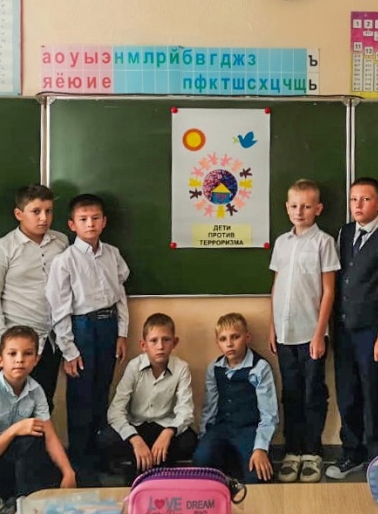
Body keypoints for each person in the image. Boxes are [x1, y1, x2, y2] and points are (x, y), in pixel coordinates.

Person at [326, 177, 378, 479]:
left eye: (365, 199)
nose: (358, 205)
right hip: (345, 330)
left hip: (373, 332)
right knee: (347, 394)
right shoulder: (344, 233)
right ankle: (352, 453)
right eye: (353, 199)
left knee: (375, 395)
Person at [46, 193, 129, 483]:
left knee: (102, 393)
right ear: (72, 225)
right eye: (83, 219)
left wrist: (122, 332)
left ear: (104, 222)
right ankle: (81, 463)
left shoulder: (113, 254)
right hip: (81, 328)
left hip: (108, 326)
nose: (90, 224)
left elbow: (120, 296)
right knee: (81, 397)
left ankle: (100, 455)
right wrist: (69, 350)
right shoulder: (64, 261)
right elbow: (59, 310)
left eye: (95, 218)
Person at [0, 325, 76, 514]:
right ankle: (24, 511)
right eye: (12, 354)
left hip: (10, 453)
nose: (20, 360)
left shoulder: (36, 390)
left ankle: (1, 496)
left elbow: (50, 437)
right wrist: (14, 430)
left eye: (28, 354)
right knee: (29, 438)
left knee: (58, 470)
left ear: (36, 360)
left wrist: (68, 472)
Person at [268, 179, 340, 483]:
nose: (300, 211)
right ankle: (292, 451)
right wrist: (272, 326)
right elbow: (276, 285)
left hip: (311, 333)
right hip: (284, 333)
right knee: (291, 393)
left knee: (313, 393)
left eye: (307, 206)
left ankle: (312, 452)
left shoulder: (324, 242)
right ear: (287, 208)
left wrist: (319, 333)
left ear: (318, 209)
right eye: (295, 206)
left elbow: (329, 290)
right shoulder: (282, 242)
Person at [0, 184, 69, 408]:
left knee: (43, 404)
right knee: (11, 408)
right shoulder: (1, 249)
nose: (44, 218)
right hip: (14, 344)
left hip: (49, 341)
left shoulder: (61, 242)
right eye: (36, 211)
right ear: (19, 214)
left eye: (48, 211)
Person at [103, 312, 198, 480]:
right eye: (154, 341)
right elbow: (115, 411)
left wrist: (168, 432)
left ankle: (158, 471)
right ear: (143, 345)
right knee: (105, 438)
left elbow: (186, 410)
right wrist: (134, 439)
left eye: (166, 340)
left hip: (164, 426)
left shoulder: (181, 368)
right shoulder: (134, 367)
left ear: (175, 342)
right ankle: (141, 470)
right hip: (137, 426)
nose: (160, 346)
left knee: (189, 441)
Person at [193, 312, 278, 483]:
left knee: (257, 474)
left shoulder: (259, 368)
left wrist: (260, 448)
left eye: (235, 337)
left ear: (247, 337)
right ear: (218, 343)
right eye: (223, 339)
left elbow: (269, 414)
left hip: (249, 429)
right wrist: (204, 438)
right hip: (222, 428)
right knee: (201, 459)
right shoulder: (214, 368)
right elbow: (209, 408)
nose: (229, 344)